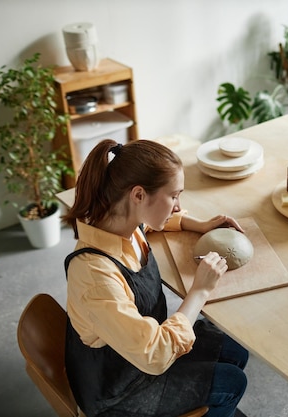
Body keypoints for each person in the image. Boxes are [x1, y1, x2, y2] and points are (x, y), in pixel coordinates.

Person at [62, 139, 248, 417]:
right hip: (119, 386)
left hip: (137, 346)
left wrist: (198, 224)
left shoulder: (120, 222)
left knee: (236, 352)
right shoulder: (95, 276)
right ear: (138, 195)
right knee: (232, 383)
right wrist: (199, 290)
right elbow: (155, 354)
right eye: (174, 196)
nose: (177, 206)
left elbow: (150, 223)